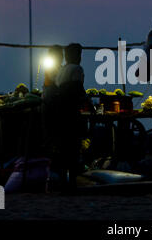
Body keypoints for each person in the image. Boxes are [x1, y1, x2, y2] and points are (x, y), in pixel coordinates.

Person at [54, 43, 88, 193]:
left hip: (60, 113)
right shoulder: (77, 69)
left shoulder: (61, 70)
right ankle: (73, 183)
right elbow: (78, 89)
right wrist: (90, 104)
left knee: (64, 150)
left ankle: (63, 182)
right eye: (79, 54)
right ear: (75, 56)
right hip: (71, 113)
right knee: (74, 149)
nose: (80, 58)